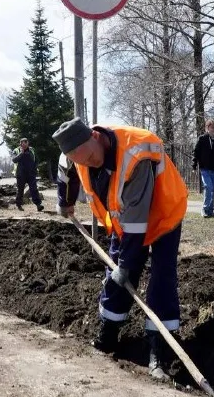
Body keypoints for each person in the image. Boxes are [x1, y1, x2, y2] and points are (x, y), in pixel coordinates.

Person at [53, 117, 188, 380]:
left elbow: (137, 226)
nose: (88, 163)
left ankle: (159, 348)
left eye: (91, 157)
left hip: (163, 212)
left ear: (95, 136)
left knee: (161, 276)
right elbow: (65, 172)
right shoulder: (74, 152)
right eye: (80, 161)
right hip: (125, 220)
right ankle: (109, 335)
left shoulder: (135, 155)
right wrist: (65, 201)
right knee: (114, 271)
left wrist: (126, 267)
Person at [192, 120, 214, 218]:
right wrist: (194, 165)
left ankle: (211, 210)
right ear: (207, 128)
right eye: (212, 127)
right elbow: (196, 152)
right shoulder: (202, 139)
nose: (213, 129)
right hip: (204, 168)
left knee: (213, 190)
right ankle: (204, 209)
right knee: (208, 187)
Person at [11, 137, 44, 212]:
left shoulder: (32, 150)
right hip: (20, 174)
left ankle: (38, 205)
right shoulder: (16, 150)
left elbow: (36, 160)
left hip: (31, 174)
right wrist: (21, 153)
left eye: (25, 142)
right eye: (22, 142)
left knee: (34, 189)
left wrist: (35, 169)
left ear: (28, 143)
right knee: (20, 190)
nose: (24, 144)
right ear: (20, 144)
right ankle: (19, 204)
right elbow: (14, 160)